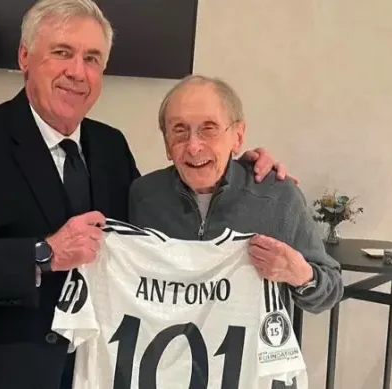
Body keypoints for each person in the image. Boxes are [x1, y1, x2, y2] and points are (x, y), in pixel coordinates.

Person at [0, 1, 292, 389]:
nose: (77, 71)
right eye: (62, 53)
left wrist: (236, 168)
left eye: (92, 58)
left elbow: (162, 222)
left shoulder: (111, 147)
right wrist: (43, 254)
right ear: (24, 57)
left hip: (93, 373)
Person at [128, 75, 344, 317]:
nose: (193, 146)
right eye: (179, 131)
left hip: (250, 352)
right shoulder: (143, 196)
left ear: (238, 136)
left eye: (208, 129)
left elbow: (331, 290)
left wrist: (300, 275)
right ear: (167, 144)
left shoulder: (278, 196)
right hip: (165, 350)